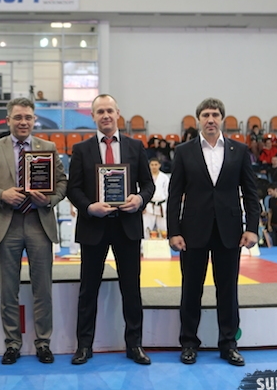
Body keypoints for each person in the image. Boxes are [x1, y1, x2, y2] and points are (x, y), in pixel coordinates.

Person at [0, 97, 67, 365]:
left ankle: (43, 342)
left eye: (28, 117)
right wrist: (2, 195)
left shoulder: (48, 147)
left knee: (43, 289)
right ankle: (12, 343)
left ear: (34, 120)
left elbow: (62, 183)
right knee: (8, 289)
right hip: (8, 223)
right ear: (8, 120)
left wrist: (48, 200)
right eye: (18, 117)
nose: (23, 122)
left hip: (39, 222)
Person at [167, 98, 259, 367]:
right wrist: (173, 231)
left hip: (229, 230)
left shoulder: (239, 150)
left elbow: (251, 193)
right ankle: (188, 343)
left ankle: (229, 344)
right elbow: (174, 195)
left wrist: (252, 228)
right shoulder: (184, 151)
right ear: (198, 119)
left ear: (222, 119)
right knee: (191, 289)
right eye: (206, 115)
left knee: (228, 290)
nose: (210, 119)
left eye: (215, 114)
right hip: (192, 231)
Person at [66, 94, 154, 366]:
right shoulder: (81, 149)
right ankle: (84, 346)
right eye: (100, 111)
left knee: (131, 289)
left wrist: (139, 199)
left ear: (118, 113)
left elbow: (148, 185)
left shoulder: (135, 146)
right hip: (93, 226)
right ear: (93, 116)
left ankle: (134, 345)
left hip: (127, 226)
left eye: (109, 111)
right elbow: (73, 188)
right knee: (88, 289)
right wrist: (89, 207)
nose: (105, 115)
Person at [142, 157, 170, 239]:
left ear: (159, 165)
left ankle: (163, 246)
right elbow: (141, 191)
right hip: (149, 206)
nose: (154, 166)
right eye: (152, 165)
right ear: (149, 166)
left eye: (156, 164)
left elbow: (168, 192)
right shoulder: (145, 177)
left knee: (164, 229)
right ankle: (145, 246)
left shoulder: (164, 177)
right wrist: (142, 206)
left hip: (162, 206)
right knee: (146, 229)